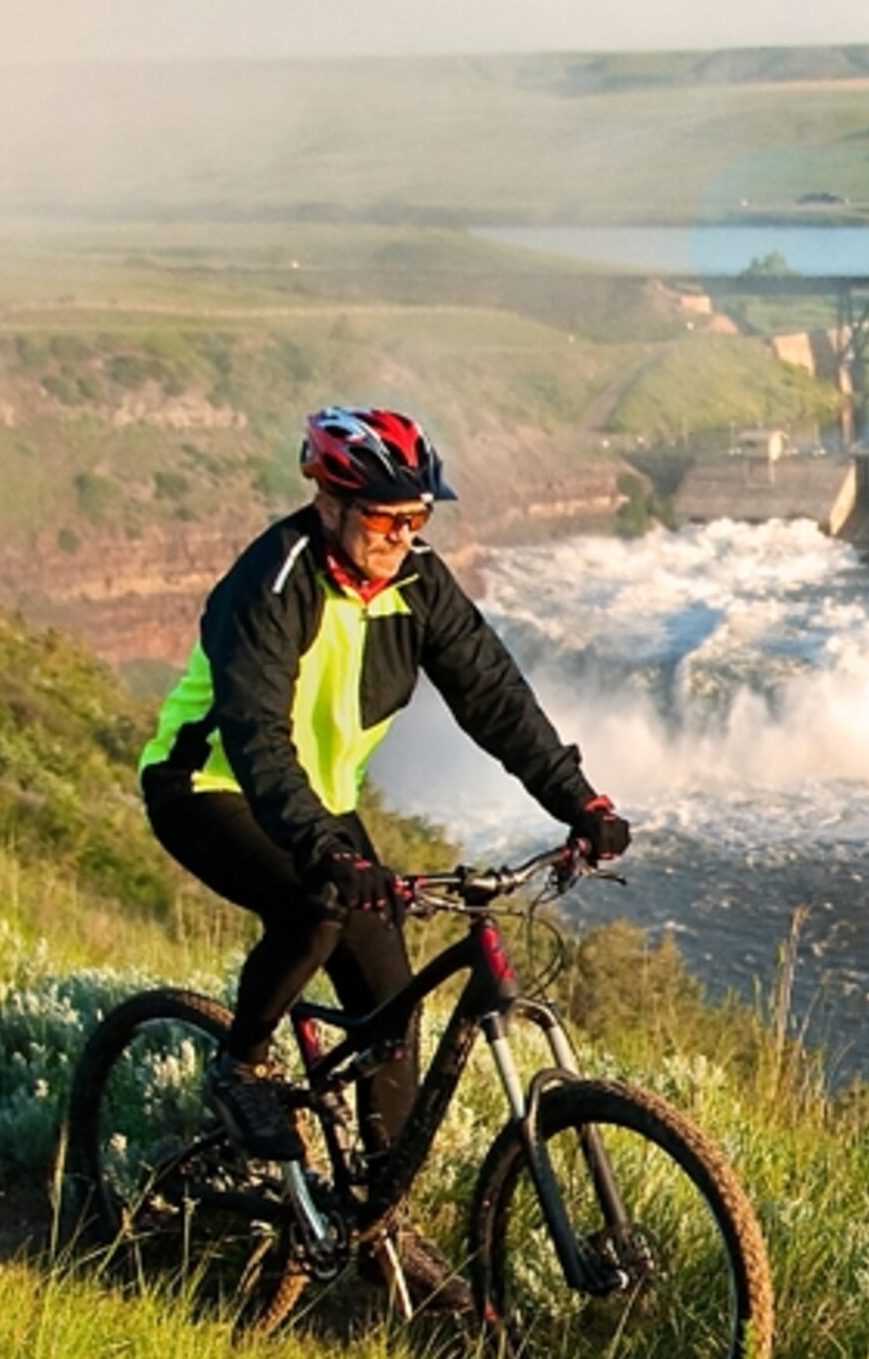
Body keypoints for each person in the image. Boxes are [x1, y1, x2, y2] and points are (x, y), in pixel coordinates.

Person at [138, 406, 631, 1165]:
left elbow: (494, 698)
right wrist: (325, 847)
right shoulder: (271, 582)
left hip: (318, 806)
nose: (403, 537)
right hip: (208, 786)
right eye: (385, 520)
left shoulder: (419, 583)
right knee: (316, 900)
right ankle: (240, 1066)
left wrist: (579, 800)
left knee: (391, 1015)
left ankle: (378, 1227)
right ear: (329, 502)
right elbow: (258, 736)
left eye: (417, 519)